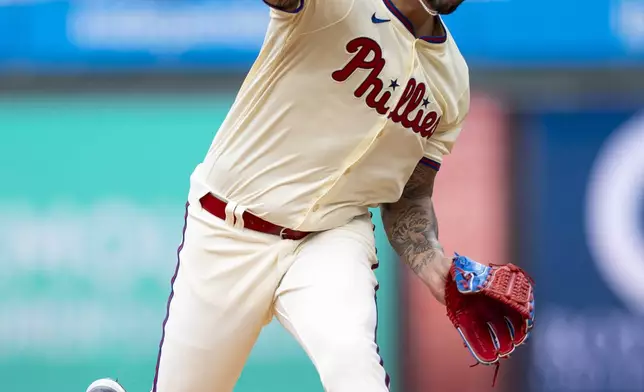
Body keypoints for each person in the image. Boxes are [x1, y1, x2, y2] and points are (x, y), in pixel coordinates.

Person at [88, 0, 469, 391]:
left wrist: (429, 260)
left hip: (330, 238)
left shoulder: (453, 82)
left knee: (353, 368)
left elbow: (410, 194)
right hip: (228, 229)